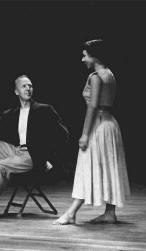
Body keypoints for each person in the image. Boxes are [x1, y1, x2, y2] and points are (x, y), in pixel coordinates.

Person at [0, 75, 68, 220]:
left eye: (30, 86)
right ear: (16, 91)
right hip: (17, 151)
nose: (28, 89)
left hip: (32, 156)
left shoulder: (43, 110)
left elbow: (63, 134)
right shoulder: (12, 113)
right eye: (24, 86)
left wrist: (49, 158)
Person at [53, 39, 130, 225]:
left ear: (94, 56)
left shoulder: (95, 77)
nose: (82, 59)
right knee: (109, 166)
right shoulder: (110, 74)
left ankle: (71, 213)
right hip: (111, 125)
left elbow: (93, 106)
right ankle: (110, 213)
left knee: (87, 167)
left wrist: (85, 134)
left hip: (99, 126)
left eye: (85, 55)